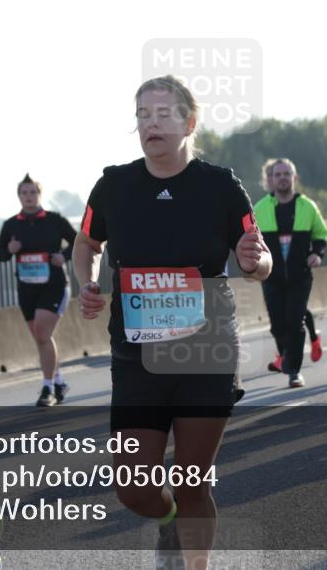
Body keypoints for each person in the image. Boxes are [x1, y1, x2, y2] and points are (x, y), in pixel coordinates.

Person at [72, 75, 270, 570]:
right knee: (135, 490)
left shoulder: (221, 186)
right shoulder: (114, 185)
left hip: (206, 351)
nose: (150, 124)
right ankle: (169, 523)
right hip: (138, 355)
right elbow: (86, 243)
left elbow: (257, 261)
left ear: (189, 122)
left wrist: (252, 260)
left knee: (192, 478)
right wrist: (87, 281)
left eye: (162, 114)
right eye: (142, 115)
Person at [0, 174, 77, 406]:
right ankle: (59, 381)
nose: (28, 197)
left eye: (32, 192)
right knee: (42, 339)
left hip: (54, 286)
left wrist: (64, 256)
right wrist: (9, 249)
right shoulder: (11, 224)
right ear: (19, 196)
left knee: (42, 334)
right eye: (24, 193)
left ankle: (47, 389)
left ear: (39, 195)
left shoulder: (54, 220)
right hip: (26, 289)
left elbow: (78, 241)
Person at [253, 158, 327, 387]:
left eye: (287, 173)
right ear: (270, 180)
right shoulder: (260, 208)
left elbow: (321, 234)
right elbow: (250, 238)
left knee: (294, 322)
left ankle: (294, 371)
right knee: (278, 325)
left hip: (300, 276)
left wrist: (317, 253)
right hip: (271, 277)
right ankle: (286, 356)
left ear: (294, 178)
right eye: (278, 174)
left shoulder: (307, 206)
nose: (282, 178)